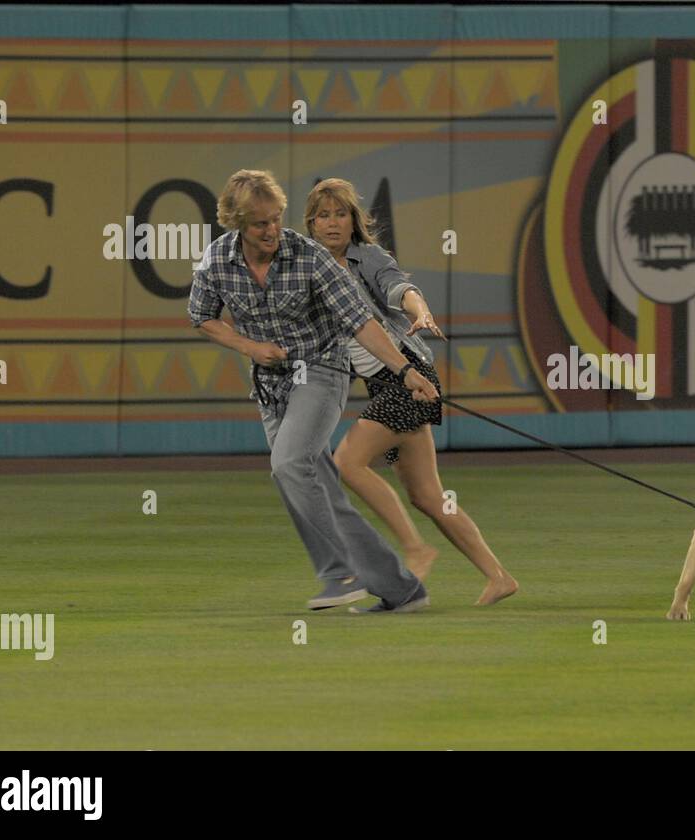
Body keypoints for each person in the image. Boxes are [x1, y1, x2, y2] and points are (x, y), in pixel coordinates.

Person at [187, 169, 438, 615]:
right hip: (270, 386)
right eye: (260, 223)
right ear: (236, 223)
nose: (271, 231)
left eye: (276, 219)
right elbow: (202, 316)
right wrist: (249, 347)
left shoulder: (310, 256)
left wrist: (404, 371)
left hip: (320, 372)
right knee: (311, 483)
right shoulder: (216, 260)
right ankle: (401, 590)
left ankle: (341, 573)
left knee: (287, 464)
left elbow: (361, 321)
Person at [305, 178, 518, 607]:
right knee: (427, 496)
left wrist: (420, 313)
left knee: (346, 462)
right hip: (382, 384)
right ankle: (499, 577)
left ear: (354, 221)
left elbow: (401, 288)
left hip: (408, 375)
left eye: (341, 214)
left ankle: (416, 549)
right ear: (310, 224)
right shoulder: (308, 269)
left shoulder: (367, 258)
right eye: (323, 215)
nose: (332, 223)